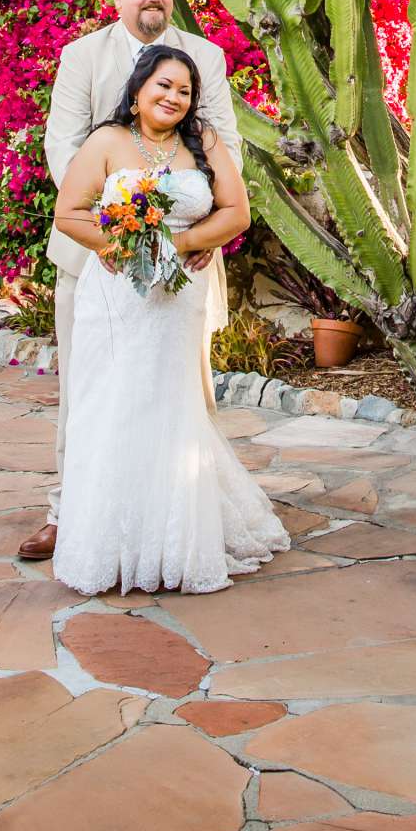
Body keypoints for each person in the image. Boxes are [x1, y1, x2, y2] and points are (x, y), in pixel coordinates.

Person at [16, 0, 244, 566]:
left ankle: (184, 519)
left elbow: (229, 150)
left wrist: (192, 232)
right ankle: (71, 515)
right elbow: (63, 146)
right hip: (96, 259)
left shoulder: (207, 59)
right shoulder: (82, 58)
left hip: (187, 261)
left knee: (184, 392)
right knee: (87, 391)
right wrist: (118, 223)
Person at [49, 42, 288, 594]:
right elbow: (69, 213)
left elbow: (236, 212)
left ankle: (176, 540)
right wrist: (117, 246)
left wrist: (182, 242)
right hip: (114, 300)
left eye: (184, 90)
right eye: (163, 86)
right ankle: (112, 543)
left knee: (171, 406)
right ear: (136, 93)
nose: (174, 97)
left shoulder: (200, 143)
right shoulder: (106, 142)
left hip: (177, 299)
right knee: (110, 407)